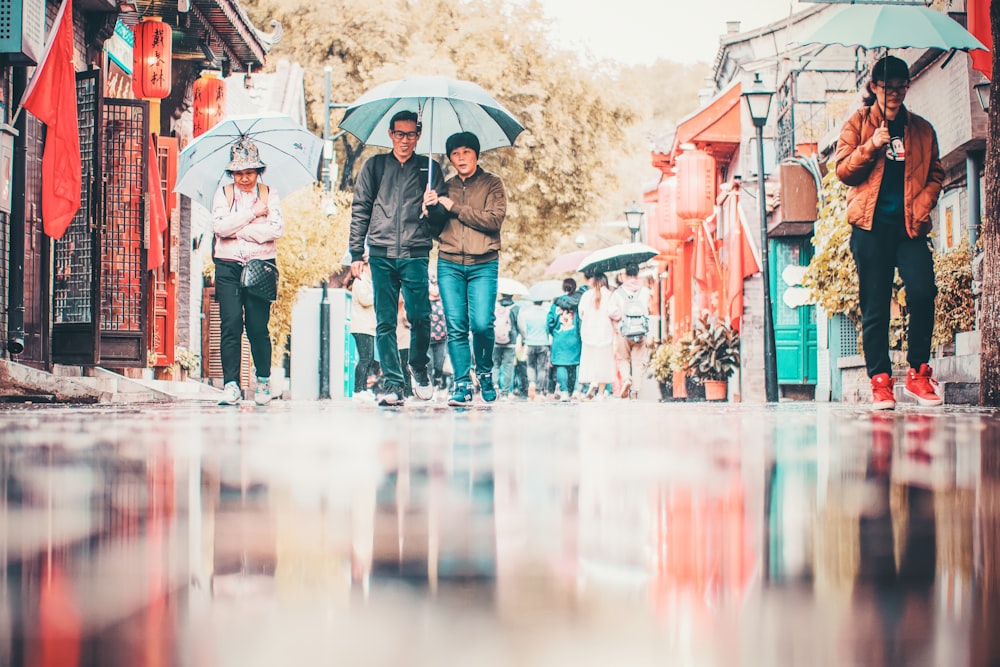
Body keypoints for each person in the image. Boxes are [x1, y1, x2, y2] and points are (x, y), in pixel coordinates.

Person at [835, 55, 945, 410]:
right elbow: (843, 171)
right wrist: (872, 145)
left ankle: (917, 373)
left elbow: (937, 174)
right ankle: (881, 381)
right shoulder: (858, 124)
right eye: (887, 87)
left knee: (923, 291)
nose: (895, 93)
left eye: (901, 86)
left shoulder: (923, 130)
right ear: (874, 87)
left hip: (910, 229)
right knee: (875, 306)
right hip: (870, 229)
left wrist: (924, 203)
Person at [350, 110, 445, 406]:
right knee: (385, 321)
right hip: (381, 252)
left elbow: (439, 227)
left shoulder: (430, 169)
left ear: (418, 136)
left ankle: (418, 365)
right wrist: (356, 251)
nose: (405, 140)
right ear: (390, 134)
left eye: (410, 135)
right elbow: (361, 208)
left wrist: (434, 206)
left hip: (416, 252)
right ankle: (393, 383)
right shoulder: (375, 166)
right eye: (399, 134)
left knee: (420, 317)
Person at [423, 131, 508, 407]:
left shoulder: (493, 184)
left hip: (484, 262)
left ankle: (483, 371)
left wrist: (454, 207)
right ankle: (461, 384)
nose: (460, 158)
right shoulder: (443, 187)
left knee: (482, 324)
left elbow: (493, 221)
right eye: (455, 154)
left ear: (476, 154)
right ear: (450, 158)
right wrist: (430, 209)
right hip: (449, 262)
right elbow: (435, 230)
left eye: (466, 152)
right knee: (456, 326)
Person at [211, 137, 284, 407]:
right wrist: (253, 213)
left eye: (249, 172)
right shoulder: (224, 194)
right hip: (228, 266)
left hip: (260, 267)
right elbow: (219, 228)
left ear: (258, 172)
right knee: (230, 324)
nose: (244, 178)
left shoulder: (269, 193)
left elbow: (276, 230)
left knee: (257, 327)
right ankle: (231, 385)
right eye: (239, 173)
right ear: (232, 173)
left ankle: (263, 379)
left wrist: (239, 229)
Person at [577, 272, 620, 399]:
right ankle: (601, 393)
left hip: (589, 334)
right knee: (604, 363)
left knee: (591, 362)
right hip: (605, 334)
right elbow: (614, 313)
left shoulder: (586, 295)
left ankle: (593, 383)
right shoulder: (610, 295)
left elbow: (581, 314)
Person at [612, 262, 652, 399]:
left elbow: (611, 312)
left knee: (623, 359)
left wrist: (621, 317)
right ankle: (635, 390)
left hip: (624, 332)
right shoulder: (645, 291)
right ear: (637, 274)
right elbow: (648, 310)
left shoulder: (618, 293)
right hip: (641, 332)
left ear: (625, 275)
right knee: (638, 362)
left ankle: (626, 379)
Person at [547, 278, 583, 400]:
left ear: (564, 288)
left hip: (559, 339)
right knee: (573, 365)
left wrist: (554, 332)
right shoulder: (577, 302)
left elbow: (549, 322)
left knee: (561, 365)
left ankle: (564, 392)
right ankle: (573, 390)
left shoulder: (556, 303)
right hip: (574, 339)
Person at [349, 260, 377, 400]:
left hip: (368, 326)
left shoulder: (368, 282)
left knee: (369, 358)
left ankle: (363, 389)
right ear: (365, 266)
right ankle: (358, 390)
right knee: (365, 359)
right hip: (361, 326)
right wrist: (378, 294)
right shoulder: (360, 281)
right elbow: (365, 300)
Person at [517, 299, 552, 399]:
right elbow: (549, 328)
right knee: (541, 367)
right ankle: (540, 390)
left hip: (530, 342)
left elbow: (522, 329)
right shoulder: (546, 314)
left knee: (530, 366)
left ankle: (532, 383)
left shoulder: (526, 313)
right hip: (543, 343)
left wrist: (526, 338)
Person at [492, 293, 519, 399]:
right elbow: (520, 325)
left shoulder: (495, 307)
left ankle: (494, 387)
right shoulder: (516, 308)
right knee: (508, 367)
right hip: (510, 342)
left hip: (495, 341)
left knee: (495, 365)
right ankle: (505, 393)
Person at [427, 275, 451, 392]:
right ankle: (430, 389)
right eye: (433, 285)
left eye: (437, 285)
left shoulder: (445, 301)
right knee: (429, 364)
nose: (435, 289)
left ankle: (437, 380)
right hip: (426, 339)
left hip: (441, 338)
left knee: (439, 365)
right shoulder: (424, 301)